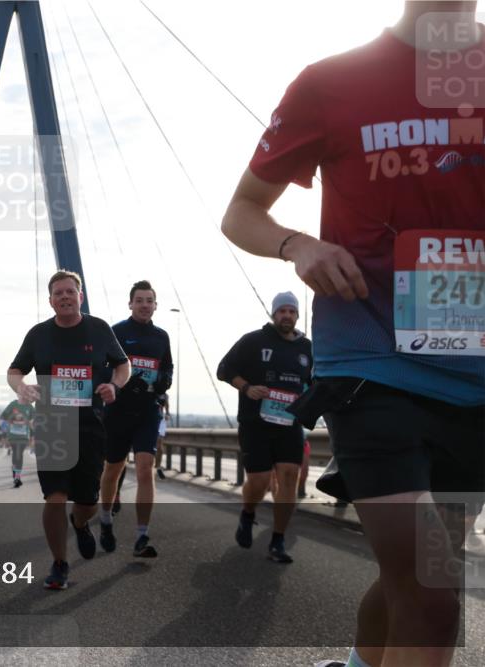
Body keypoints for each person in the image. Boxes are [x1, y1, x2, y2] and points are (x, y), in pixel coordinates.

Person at [221, 4, 482, 662]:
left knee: (418, 575)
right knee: (432, 587)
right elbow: (241, 212)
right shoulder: (331, 82)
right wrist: (295, 244)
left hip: (475, 380)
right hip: (370, 367)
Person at [8, 270, 130, 590]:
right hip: (52, 425)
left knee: (87, 501)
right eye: (58, 293)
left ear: (80, 296)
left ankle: (81, 523)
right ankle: (60, 563)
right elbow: (15, 369)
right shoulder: (39, 334)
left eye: (69, 292)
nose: (64, 296)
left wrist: (114, 385)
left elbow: (122, 364)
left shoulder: (99, 329)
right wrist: (21, 386)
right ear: (50, 301)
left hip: (90, 424)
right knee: (55, 498)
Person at [217, 292, 313, 563]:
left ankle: (278, 541)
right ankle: (248, 513)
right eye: (282, 311)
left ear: (296, 315)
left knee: (289, 478)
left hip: (289, 425)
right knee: (258, 482)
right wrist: (247, 388)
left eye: (292, 312)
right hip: (255, 424)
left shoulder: (307, 348)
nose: (287, 316)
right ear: (273, 314)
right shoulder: (253, 341)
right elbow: (224, 370)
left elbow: (317, 383)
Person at [98, 280, 173, 558]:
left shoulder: (162, 336)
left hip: (148, 411)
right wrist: (122, 383)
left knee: (145, 468)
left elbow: (168, 367)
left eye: (149, 300)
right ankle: (105, 519)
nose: (144, 305)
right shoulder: (116, 332)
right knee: (113, 470)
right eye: (139, 300)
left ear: (155, 305)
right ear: (130, 304)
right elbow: (102, 369)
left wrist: (164, 380)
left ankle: (142, 536)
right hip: (118, 411)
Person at [0, 396, 35, 488]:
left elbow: (34, 420)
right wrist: (11, 421)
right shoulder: (13, 404)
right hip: (13, 435)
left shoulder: (30, 407)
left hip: (24, 436)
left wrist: (31, 427)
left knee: (19, 454)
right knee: (16, 454)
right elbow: (3, 415)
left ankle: (17, 477)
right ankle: (15, 470)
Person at [156, 393, 170, 479]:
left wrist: (167, 414)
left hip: (160, 422)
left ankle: (157, 468)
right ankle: (151, 466)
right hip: (148, 420)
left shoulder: (165, 395)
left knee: (160, 448)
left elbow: (167, 405)